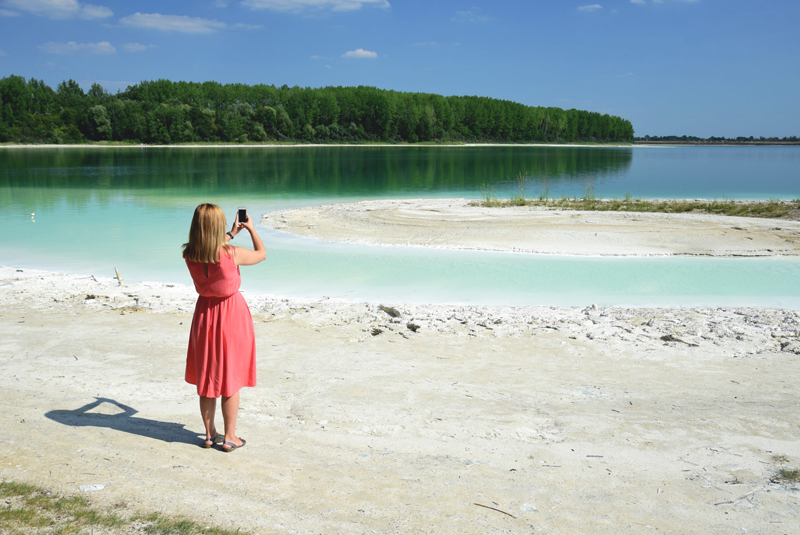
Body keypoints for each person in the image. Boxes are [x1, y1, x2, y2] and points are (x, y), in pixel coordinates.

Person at [182, 203, 266, 452]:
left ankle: (210, 435)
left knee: (208, 377)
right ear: (217, 226)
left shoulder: (190, 253)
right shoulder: (232, 253)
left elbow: (209, 248)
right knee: (230, 377)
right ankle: (230, 437)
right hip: (230, 314)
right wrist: (250, 229)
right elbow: (261, 253)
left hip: (205, 315)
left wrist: (230, 234)